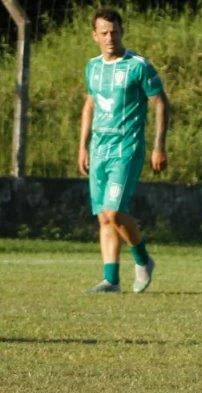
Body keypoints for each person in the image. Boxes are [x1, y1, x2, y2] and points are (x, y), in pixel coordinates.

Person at [79, 7, 168, 294]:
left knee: (115, 211)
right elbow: (90, 104)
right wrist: (82, 147)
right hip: (99, 149)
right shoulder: (92, 67)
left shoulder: (138, 66)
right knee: (103, 216)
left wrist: (159, 146)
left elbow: (160, 103)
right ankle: (111, 280)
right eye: (104, 33)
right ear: (94, 36)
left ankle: (142, 259)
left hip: (126, 148)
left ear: (122, 32)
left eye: (114, 32)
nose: (110, 38)